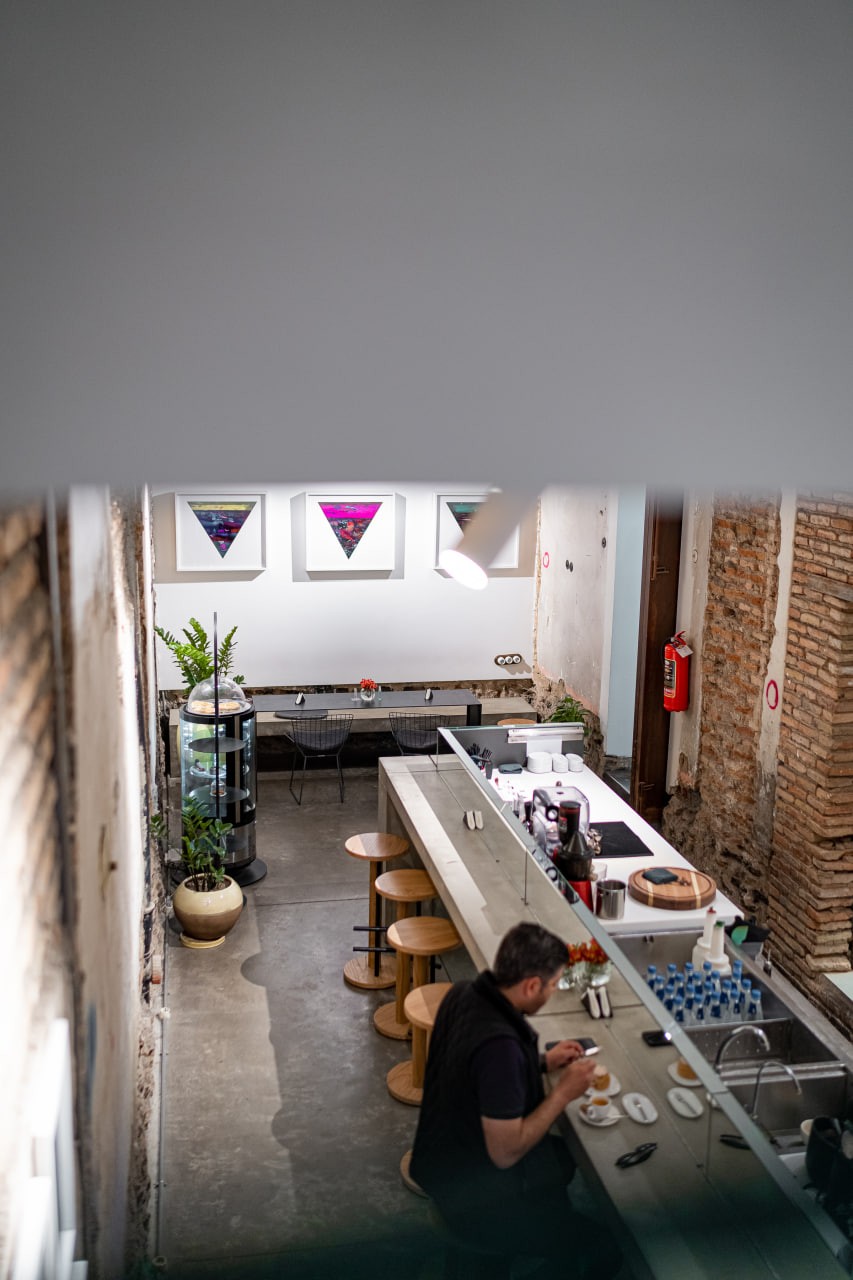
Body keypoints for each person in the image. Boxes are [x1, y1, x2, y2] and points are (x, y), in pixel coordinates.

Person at [410, 922, 624, 1278]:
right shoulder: (501, 1049)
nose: (553, 991)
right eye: (554, 984)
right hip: (477, 1204)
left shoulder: (463, 994)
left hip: (441, 1166)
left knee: (562, 1162)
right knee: (607, 1244)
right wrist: (563, 1092)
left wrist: (540, 1062)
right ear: (531, 986)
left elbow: (473, 1070)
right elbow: (505, 1152)